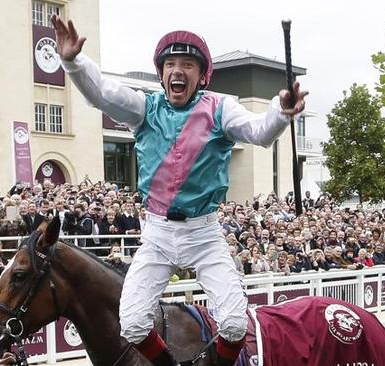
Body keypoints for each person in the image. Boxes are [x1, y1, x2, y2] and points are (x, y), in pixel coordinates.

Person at [52, 15, 306, 366]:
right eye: (170, 64)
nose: (178, 70)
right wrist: (72, 61)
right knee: (133, 322)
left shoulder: (221, 109)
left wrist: (281, 111)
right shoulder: (144, 108)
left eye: (188, 64)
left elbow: (259, 132)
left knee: (233, 323)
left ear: (202, 76)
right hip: (157, 234)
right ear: (161, 74)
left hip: (204, 234)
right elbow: (102, 94)